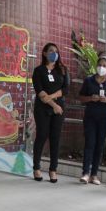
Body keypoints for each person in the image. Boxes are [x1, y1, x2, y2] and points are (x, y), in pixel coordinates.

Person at [78, 55, 106, 184]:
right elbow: (81, 98)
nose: (101, 68)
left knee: (99, 145)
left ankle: (94, 175)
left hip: (105, 117)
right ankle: (85, 173)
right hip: (90, 116)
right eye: (100, 65)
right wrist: (91, 98)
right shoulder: (89, 80)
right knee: (89, 143)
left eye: (104, 66)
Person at [31, 43, 69, 183]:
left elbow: (65, 89)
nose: (54, 53)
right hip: (43, 108)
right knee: (41, 136)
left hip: (59, 109)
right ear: (45, 53)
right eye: (51, 51)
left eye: (56, 51)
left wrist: (52, 98)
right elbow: (40, 92)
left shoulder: (63, 70)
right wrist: (53, 104)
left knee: (55, 138)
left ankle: (53, 169)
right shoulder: (38, 70)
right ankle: (36, 168)